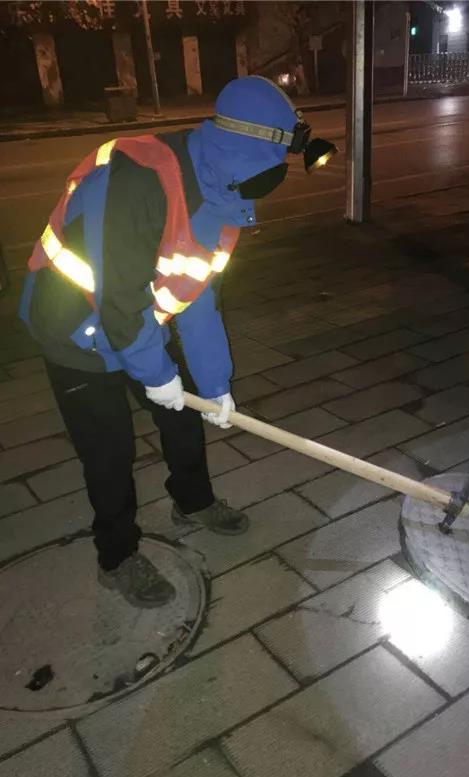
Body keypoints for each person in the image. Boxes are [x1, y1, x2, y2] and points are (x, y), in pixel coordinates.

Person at [20, 76, 335, 610]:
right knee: (109, 451)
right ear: (243, 147)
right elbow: (118, 299)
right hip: (73, 328)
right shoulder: (139, 180)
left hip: (133, 321)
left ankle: (193, 502)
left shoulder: (220, 193)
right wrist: (158, 375)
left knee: (184, 418)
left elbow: (197, 295)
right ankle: (117, 556)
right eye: (272, 162)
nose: (273, 179)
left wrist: (215, 384)